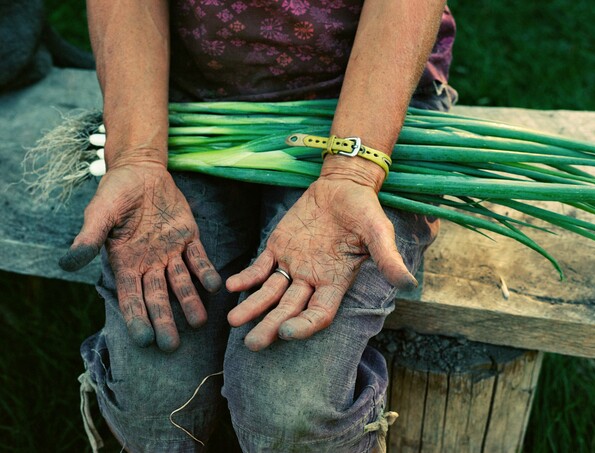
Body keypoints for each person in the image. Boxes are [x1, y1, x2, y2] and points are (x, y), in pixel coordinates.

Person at [64, 1, 457, 451]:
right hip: (195, 112)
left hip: (371, 111)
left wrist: (351, 173)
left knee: (287, 411)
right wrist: (135, 156)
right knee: (153, 401)